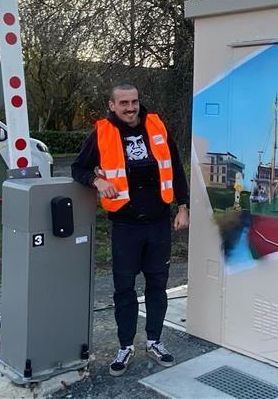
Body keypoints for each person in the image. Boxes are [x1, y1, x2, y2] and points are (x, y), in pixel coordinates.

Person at [72, 82, 189, 377]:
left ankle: (154, 340)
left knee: (157, 284)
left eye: (134, 102)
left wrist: (183, 207)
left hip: (159, 223)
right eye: (123, 103)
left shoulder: (156, 126)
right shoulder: (102, 133)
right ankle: (125, 345)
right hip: (125, 226)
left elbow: (175, 167)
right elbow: (78, 168)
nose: (130, 108)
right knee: (124, 288)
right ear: (112, 106)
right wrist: (98, 182)